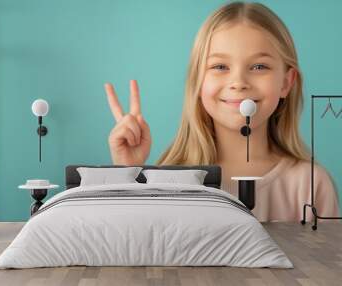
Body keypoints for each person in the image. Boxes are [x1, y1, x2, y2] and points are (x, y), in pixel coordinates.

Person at [104, 2, 339, 222]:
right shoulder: (167, 182)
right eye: (219, 67)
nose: (238, 82)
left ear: (286, 83)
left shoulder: (311, 184)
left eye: (259, 67)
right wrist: (127, 174)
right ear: (198, 81)